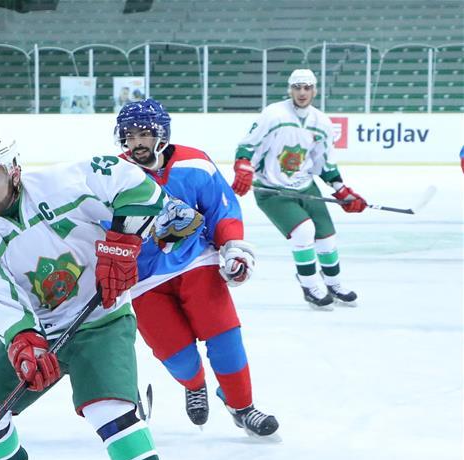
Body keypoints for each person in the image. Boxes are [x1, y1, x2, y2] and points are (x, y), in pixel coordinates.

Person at [0, 126, 187, 460]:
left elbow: (139, 187)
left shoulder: (63, 183)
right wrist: (24, 342)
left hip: (102, 319)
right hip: (42, 329)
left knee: (108, 410)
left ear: (13, 170)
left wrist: (121, 242)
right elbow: (1, 301)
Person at [114, 99, 278, 436]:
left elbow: (222, 210)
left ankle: (242, 406)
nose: (136, 142)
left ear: (162, 135)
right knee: (177, 355)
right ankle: (195, 384)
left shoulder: (195, 163)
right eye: (129, 135)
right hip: (143, 280)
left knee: (225, 337)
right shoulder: (114, 175)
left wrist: (232, 247)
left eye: (144, 134)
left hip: (196, 261)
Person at [230, 69, 365, 310]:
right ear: (290, 89)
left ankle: (333, 283)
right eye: (297, 87)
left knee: (326, 238)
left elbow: (324, 163)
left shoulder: (321, 122)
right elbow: (248, 145)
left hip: (305, 186)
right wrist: (243, 166)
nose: (302, 93)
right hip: (271, 189)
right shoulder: (273, 114)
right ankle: (310, 285)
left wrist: (341, 190)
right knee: (304, 232)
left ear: (315, 90)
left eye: (307, 88)